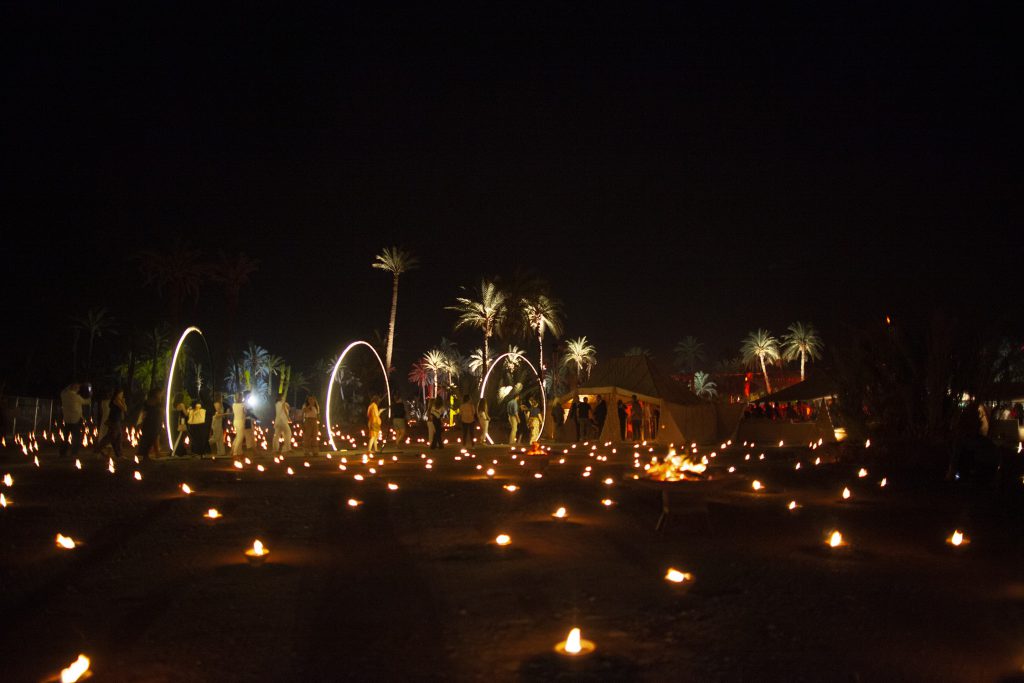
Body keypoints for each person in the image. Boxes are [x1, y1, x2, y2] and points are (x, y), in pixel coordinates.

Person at [94, 387, 127, 459]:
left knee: (116, 437)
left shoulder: (116, 400)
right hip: (114, 421)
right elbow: (124, 409)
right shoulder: (116, 400)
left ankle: (119, 454)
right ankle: (97, 450)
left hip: (116, 420)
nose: (122, 395)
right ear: (118, 394)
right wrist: (123, 402)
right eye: (121, 394)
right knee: (111, 437)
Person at [59, 382, 87, 458]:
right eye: (78, 388)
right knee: (76, 436)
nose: (78, 389)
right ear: (75, 388)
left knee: (65, 436)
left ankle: (63, 451)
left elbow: (63, 390)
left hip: (67, 418)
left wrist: (69, 386)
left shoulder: (64, 395)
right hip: (76, 419)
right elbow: (85, 402)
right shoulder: (76, 396)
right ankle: (74, 452)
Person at [136, 387, 164, 461]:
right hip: (150, 422)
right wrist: (141, 422)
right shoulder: (150, 403)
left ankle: (152, 453)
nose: (161, 395)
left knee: (154, 437)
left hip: (154, 422)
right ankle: (145, 454)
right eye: (160, 393)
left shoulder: (156, 403)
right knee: (150, 438)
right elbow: (144, 413)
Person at [232, 392, 256, 457]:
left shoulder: (233, 404)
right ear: (241, 397)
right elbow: (245, 412)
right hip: (240, 422)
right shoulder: (243, 405)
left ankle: (238, 451)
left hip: (235, 422)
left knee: (238, 436)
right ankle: (235, 452)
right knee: (240, 438)